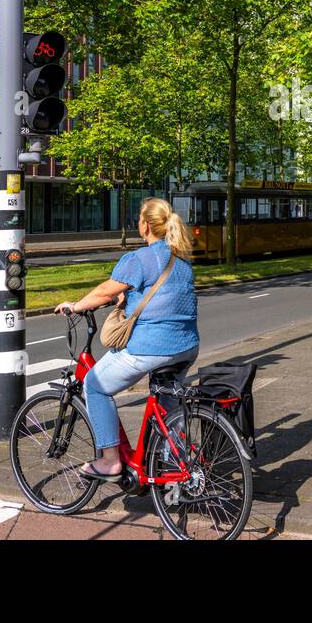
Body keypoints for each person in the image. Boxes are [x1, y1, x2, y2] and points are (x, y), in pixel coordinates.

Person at [54, 197, 199, 482]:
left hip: (151, 348)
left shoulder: (138, 258)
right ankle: (174, 464)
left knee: (94, 384)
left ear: (144, 225)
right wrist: (126, 297)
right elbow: (160, 294)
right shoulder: (181, 262)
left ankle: (109, 461)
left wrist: (76, 305)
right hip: (187, 347)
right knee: (167, 399)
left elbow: (106, 290)